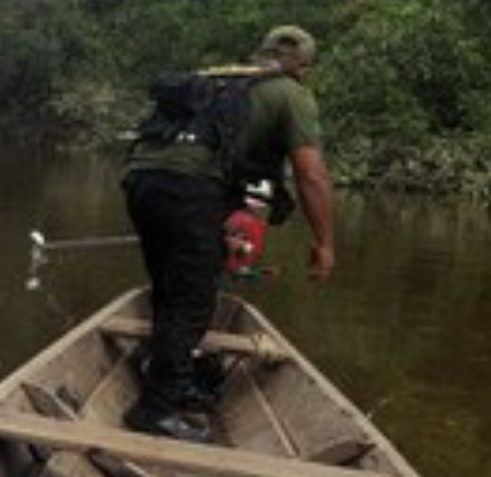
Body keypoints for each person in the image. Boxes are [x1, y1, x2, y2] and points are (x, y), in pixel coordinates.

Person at [120, 25, 335, 441]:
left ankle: (168, 371)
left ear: (260, 54)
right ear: (304, 67)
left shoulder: (214, 79)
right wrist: (325, 244)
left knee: (170, 286)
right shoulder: (291, 94)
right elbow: (310, 174)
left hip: (139, 179)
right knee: (193, 298)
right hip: (189, 187)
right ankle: (154, 408)